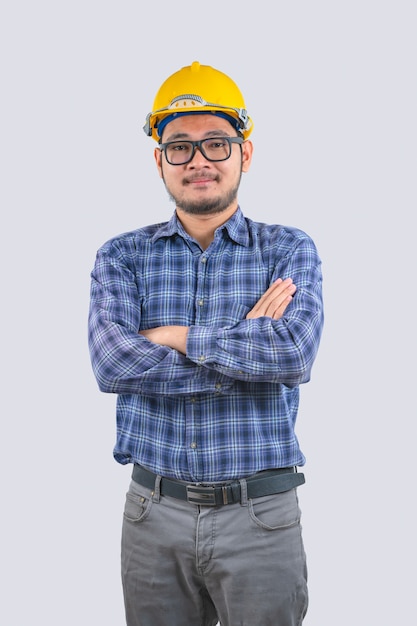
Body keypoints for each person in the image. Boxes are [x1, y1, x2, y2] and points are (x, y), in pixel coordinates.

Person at [88, 60, 324, 626]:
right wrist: (245, 351)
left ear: (245, 153)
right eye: (180, 147)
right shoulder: (121, 256)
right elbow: (112, 364)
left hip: (261, 517)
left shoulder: (287, 252)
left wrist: (175, 338)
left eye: (216, 143)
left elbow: (293, 354)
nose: (198, 160)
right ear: (159, 160)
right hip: (152, 516)